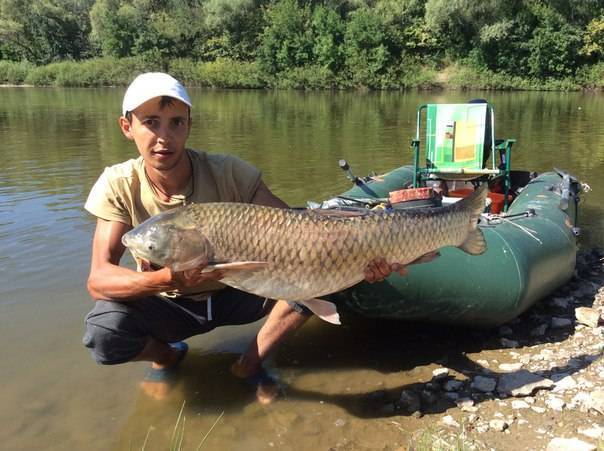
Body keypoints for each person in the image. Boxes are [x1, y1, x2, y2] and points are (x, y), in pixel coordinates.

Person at [82, 72, 412, 404]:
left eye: (176, 123)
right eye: (151, 123)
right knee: (104, 330)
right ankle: (167, 358)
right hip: (172, 305)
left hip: (239, 291)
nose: (164, 137)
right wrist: (168, 279)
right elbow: (99, 279)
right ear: (127, 127)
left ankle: (250, 363)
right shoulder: (118, 184)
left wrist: (365, 257)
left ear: (189, 125)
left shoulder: (228, 172)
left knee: (320, 273)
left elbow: (299, 231)